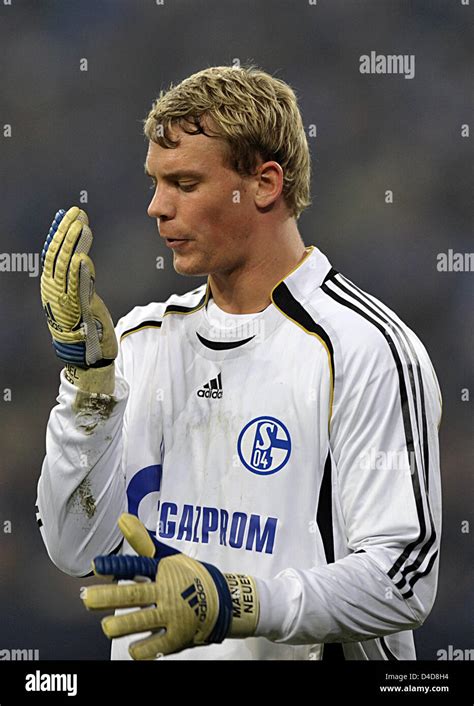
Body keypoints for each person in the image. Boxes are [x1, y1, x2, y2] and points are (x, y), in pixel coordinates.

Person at [37, 65, 442, 661]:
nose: (156, 207)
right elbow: (76, 549)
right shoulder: (139, 342)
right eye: (155, 182)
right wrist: (88, 390)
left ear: (264, 183)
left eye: (185, 183)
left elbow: (402, 580)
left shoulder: (366, 349)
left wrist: (241, 604)